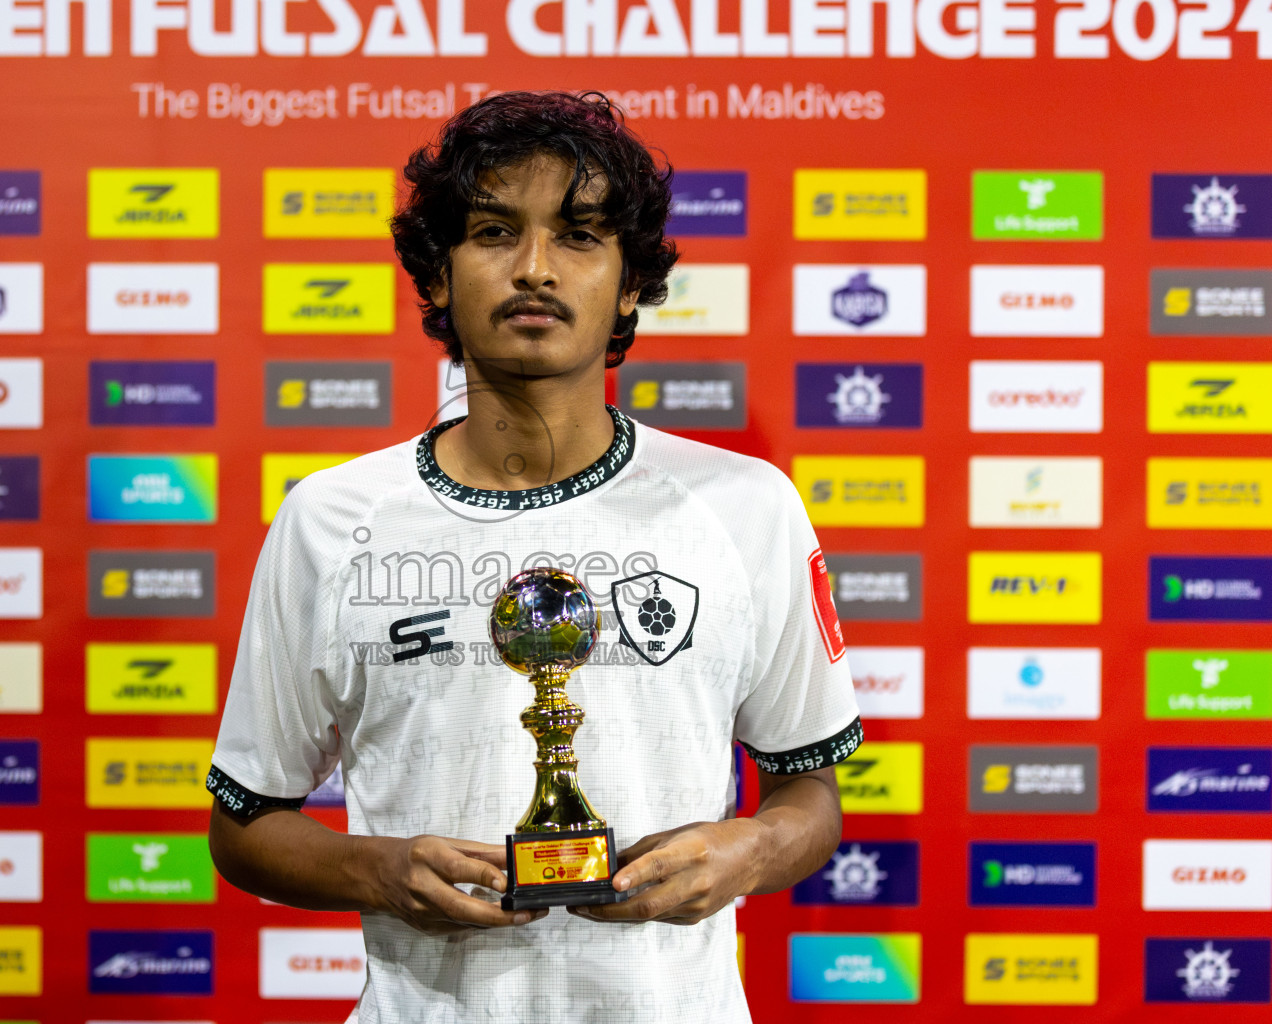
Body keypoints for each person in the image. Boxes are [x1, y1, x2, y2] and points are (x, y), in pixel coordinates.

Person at [207, 91, 862, 1023]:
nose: (534, 268)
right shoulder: (330, 519)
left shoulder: (745, 508)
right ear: (436, 276)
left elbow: (810, 791)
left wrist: (749, 852)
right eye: (491, 231)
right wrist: (381, 870)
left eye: (580, 236)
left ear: (632, 283)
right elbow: (243, 827)